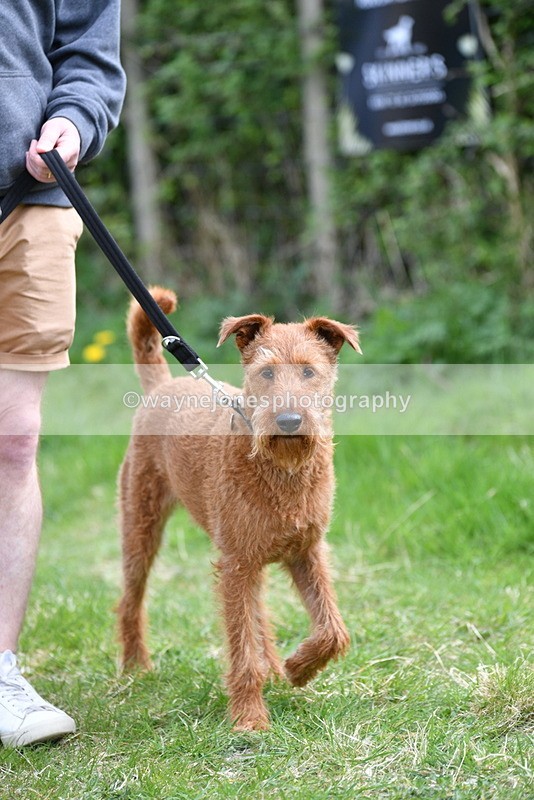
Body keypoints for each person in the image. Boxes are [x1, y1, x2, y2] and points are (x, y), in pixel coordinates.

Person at [0, 1, 126, 747]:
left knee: (13, 442)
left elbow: (88, 50)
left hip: (32, 199)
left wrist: (73, 122)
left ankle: (0, 673)